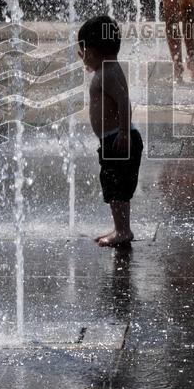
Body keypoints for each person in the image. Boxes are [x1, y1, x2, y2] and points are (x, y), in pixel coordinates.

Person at [78, 15, 143, 247]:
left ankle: (123, 230)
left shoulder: (107, 73)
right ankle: (120, 227)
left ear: (93, 51)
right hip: (114, 139)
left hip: (119, 139)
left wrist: (124, 133)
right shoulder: (107, 70)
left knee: (117, 188)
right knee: (114, 186)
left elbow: (125, 102)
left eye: (82, 50)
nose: (80, 56)